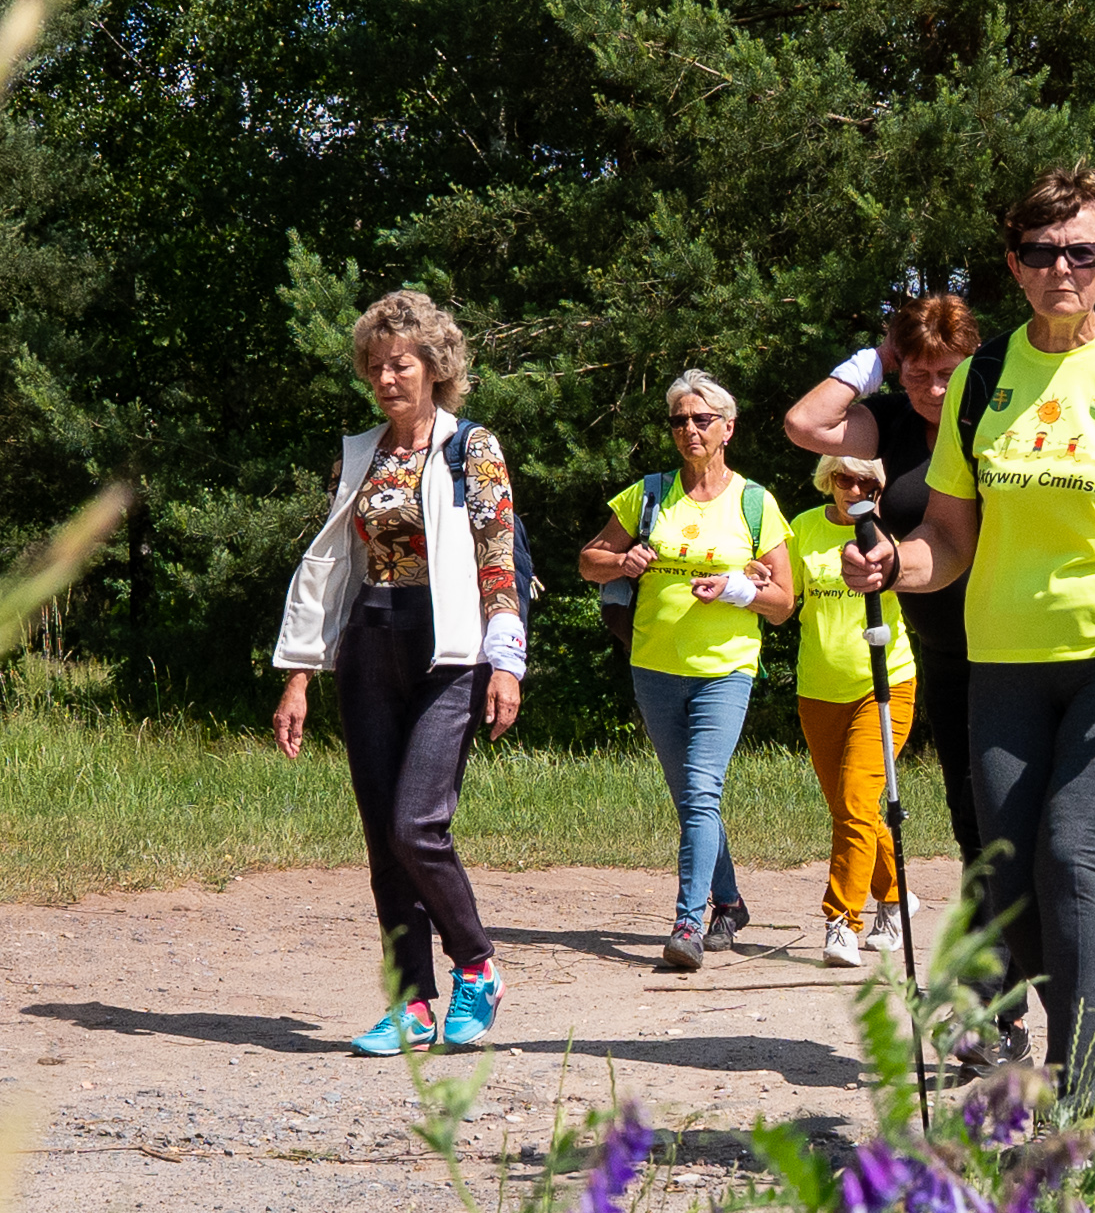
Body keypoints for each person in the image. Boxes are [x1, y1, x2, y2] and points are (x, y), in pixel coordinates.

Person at [845, 167, 1095, 1102]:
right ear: (1014, 266)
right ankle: (1065, 1068)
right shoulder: (978, 380)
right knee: (1007, 879)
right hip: (1001, 664)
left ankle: (1086, 1091)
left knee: (1070, 850)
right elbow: (948, 540)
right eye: (1042, 251)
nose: (1062, 267)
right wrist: (893, 563)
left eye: (1081, 251)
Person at [268, 288, 526, 1053]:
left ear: (435, 367)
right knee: (384, 835)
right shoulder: (362, 452)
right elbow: (328, 567)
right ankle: (411, 1004)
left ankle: (475, 964)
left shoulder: (470, 446)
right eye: (375, 366)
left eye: (401, 363)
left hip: (449, 648)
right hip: (369, 642)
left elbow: (497, 559)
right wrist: (299, 673)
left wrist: (505, 663)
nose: (386, 378)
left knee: (418, 823)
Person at [582, 370, 798, 974]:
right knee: (690, 798)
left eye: (702, 419)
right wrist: (621, 559)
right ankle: (728, 902)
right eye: (679, 420)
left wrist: (738, 593)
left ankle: (687, 922)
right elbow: (588, 562)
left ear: (728, 427)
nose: (689, 429)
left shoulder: (756, 503)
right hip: (653, 667)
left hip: (726, 671)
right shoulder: (648, 495)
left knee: (702, 790)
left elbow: (782, 604)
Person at [784, 274, 984, 855]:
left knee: (1012, 805)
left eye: (948, 372)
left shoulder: (995, 420)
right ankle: (990, 940)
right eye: (918, 373)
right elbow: (805, 424)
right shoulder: (891, 422)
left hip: (1009, 640)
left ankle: (1035, 937)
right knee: (966, 807)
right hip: (944, 647)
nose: (934, 390)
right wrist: (879, 355)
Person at [782, 444, 921, 966]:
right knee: (848, 809)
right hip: (818, 687)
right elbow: (785, 595)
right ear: (829, 478)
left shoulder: (892, 533)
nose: (855, 491)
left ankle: (841, 920)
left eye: (870, 485)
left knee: (860, 803)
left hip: (884, 685)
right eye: (845, 479)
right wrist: (754, 579)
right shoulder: (803, 529)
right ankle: (894, 897)